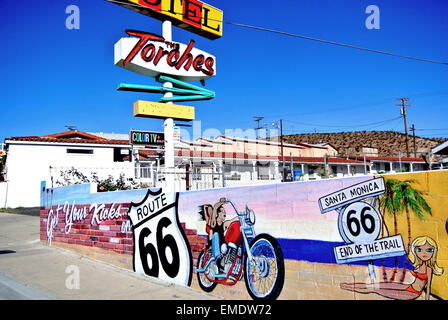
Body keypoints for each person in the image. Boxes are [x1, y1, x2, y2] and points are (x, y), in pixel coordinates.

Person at [340, 235, 444, 300]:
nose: (424, 253)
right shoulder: (418, 266)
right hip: (408, 287)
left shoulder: (429, 269)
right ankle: (347, 285)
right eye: (419, 250)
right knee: (376, 285)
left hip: (413, 293)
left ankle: (349, 286)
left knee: (376, 289)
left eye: (429, 250)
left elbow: (428, 286)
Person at [202, 198, 238, 273]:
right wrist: (221, 203)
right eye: (223, 211)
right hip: (214, 245)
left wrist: (240, 217)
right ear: (218, 214)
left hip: (221, 246)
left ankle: (229, 264)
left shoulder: (224, 224)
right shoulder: (213, 222)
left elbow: (231, 221)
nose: (225, 213)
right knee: (215, 234)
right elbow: (215, 207)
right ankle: (218, 258)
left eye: (225, 211)